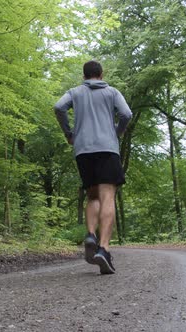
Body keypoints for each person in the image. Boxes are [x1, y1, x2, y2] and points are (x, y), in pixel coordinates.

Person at [54, 60, 132, 274]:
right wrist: (116, 132)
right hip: (107, 148)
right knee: (108, 196)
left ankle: (90, 234)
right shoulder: (112, 92)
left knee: (93, 196)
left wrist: (69, 133)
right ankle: (103, 249)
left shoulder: (75, 92)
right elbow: (126, 114)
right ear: (101, 73)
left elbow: (59, 107)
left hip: (83, 150)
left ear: (84, 75)